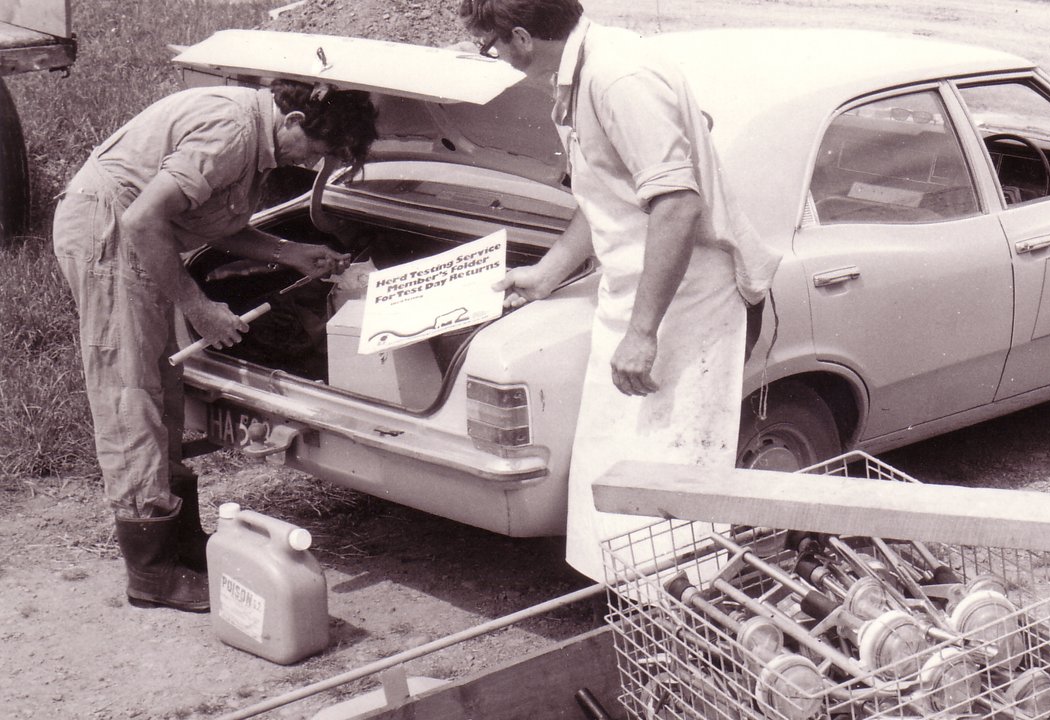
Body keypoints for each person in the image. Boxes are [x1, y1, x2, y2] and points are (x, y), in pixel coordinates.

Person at [459, 0, 781, 581]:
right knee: (614, 465)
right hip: (636, 288)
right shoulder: (579, 73)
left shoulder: (620, 78)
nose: (495, 57)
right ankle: (635, 606)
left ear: (523, 37)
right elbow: (608, 187)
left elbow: (677, 205)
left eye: (492, 46)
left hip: (687, 297)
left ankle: (685, 615)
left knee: (668, 471)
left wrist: (642, 331)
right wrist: (550, 270)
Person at [52, 79, 378, 612]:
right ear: (293, 123)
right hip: (109, 229)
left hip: (138, 229)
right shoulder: (230, 132)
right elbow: (142, 218)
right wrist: (198, 307)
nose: (312, 166)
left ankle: (181, 540)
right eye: (315, 153)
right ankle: (151, 573)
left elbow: (206, 218)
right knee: (131, 392)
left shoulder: (260, 135)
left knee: (165, 387)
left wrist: (291, 252)